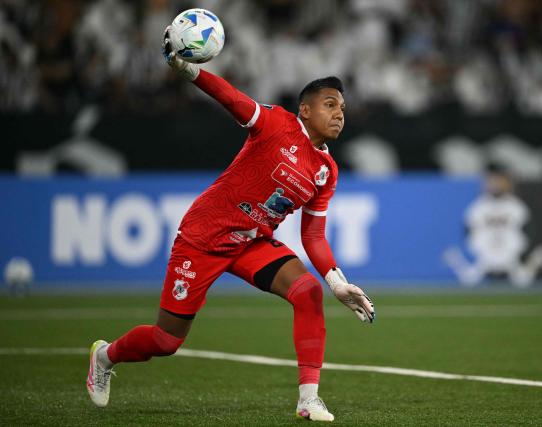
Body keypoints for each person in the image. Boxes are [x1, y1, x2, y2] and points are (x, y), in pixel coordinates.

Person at [86, 27, 375, 422]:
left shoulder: (326, 170)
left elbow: (312, 235)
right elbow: (233, 100)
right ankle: (105, 356)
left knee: (307, 292)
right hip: (204, 237)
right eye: (329, 104)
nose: (339, 113)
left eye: (342, 107)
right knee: (166, 340)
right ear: (304, 110)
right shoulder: (276, 124)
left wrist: (337, 282)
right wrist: (188, 71)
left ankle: (309, 399)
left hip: (250, 243)